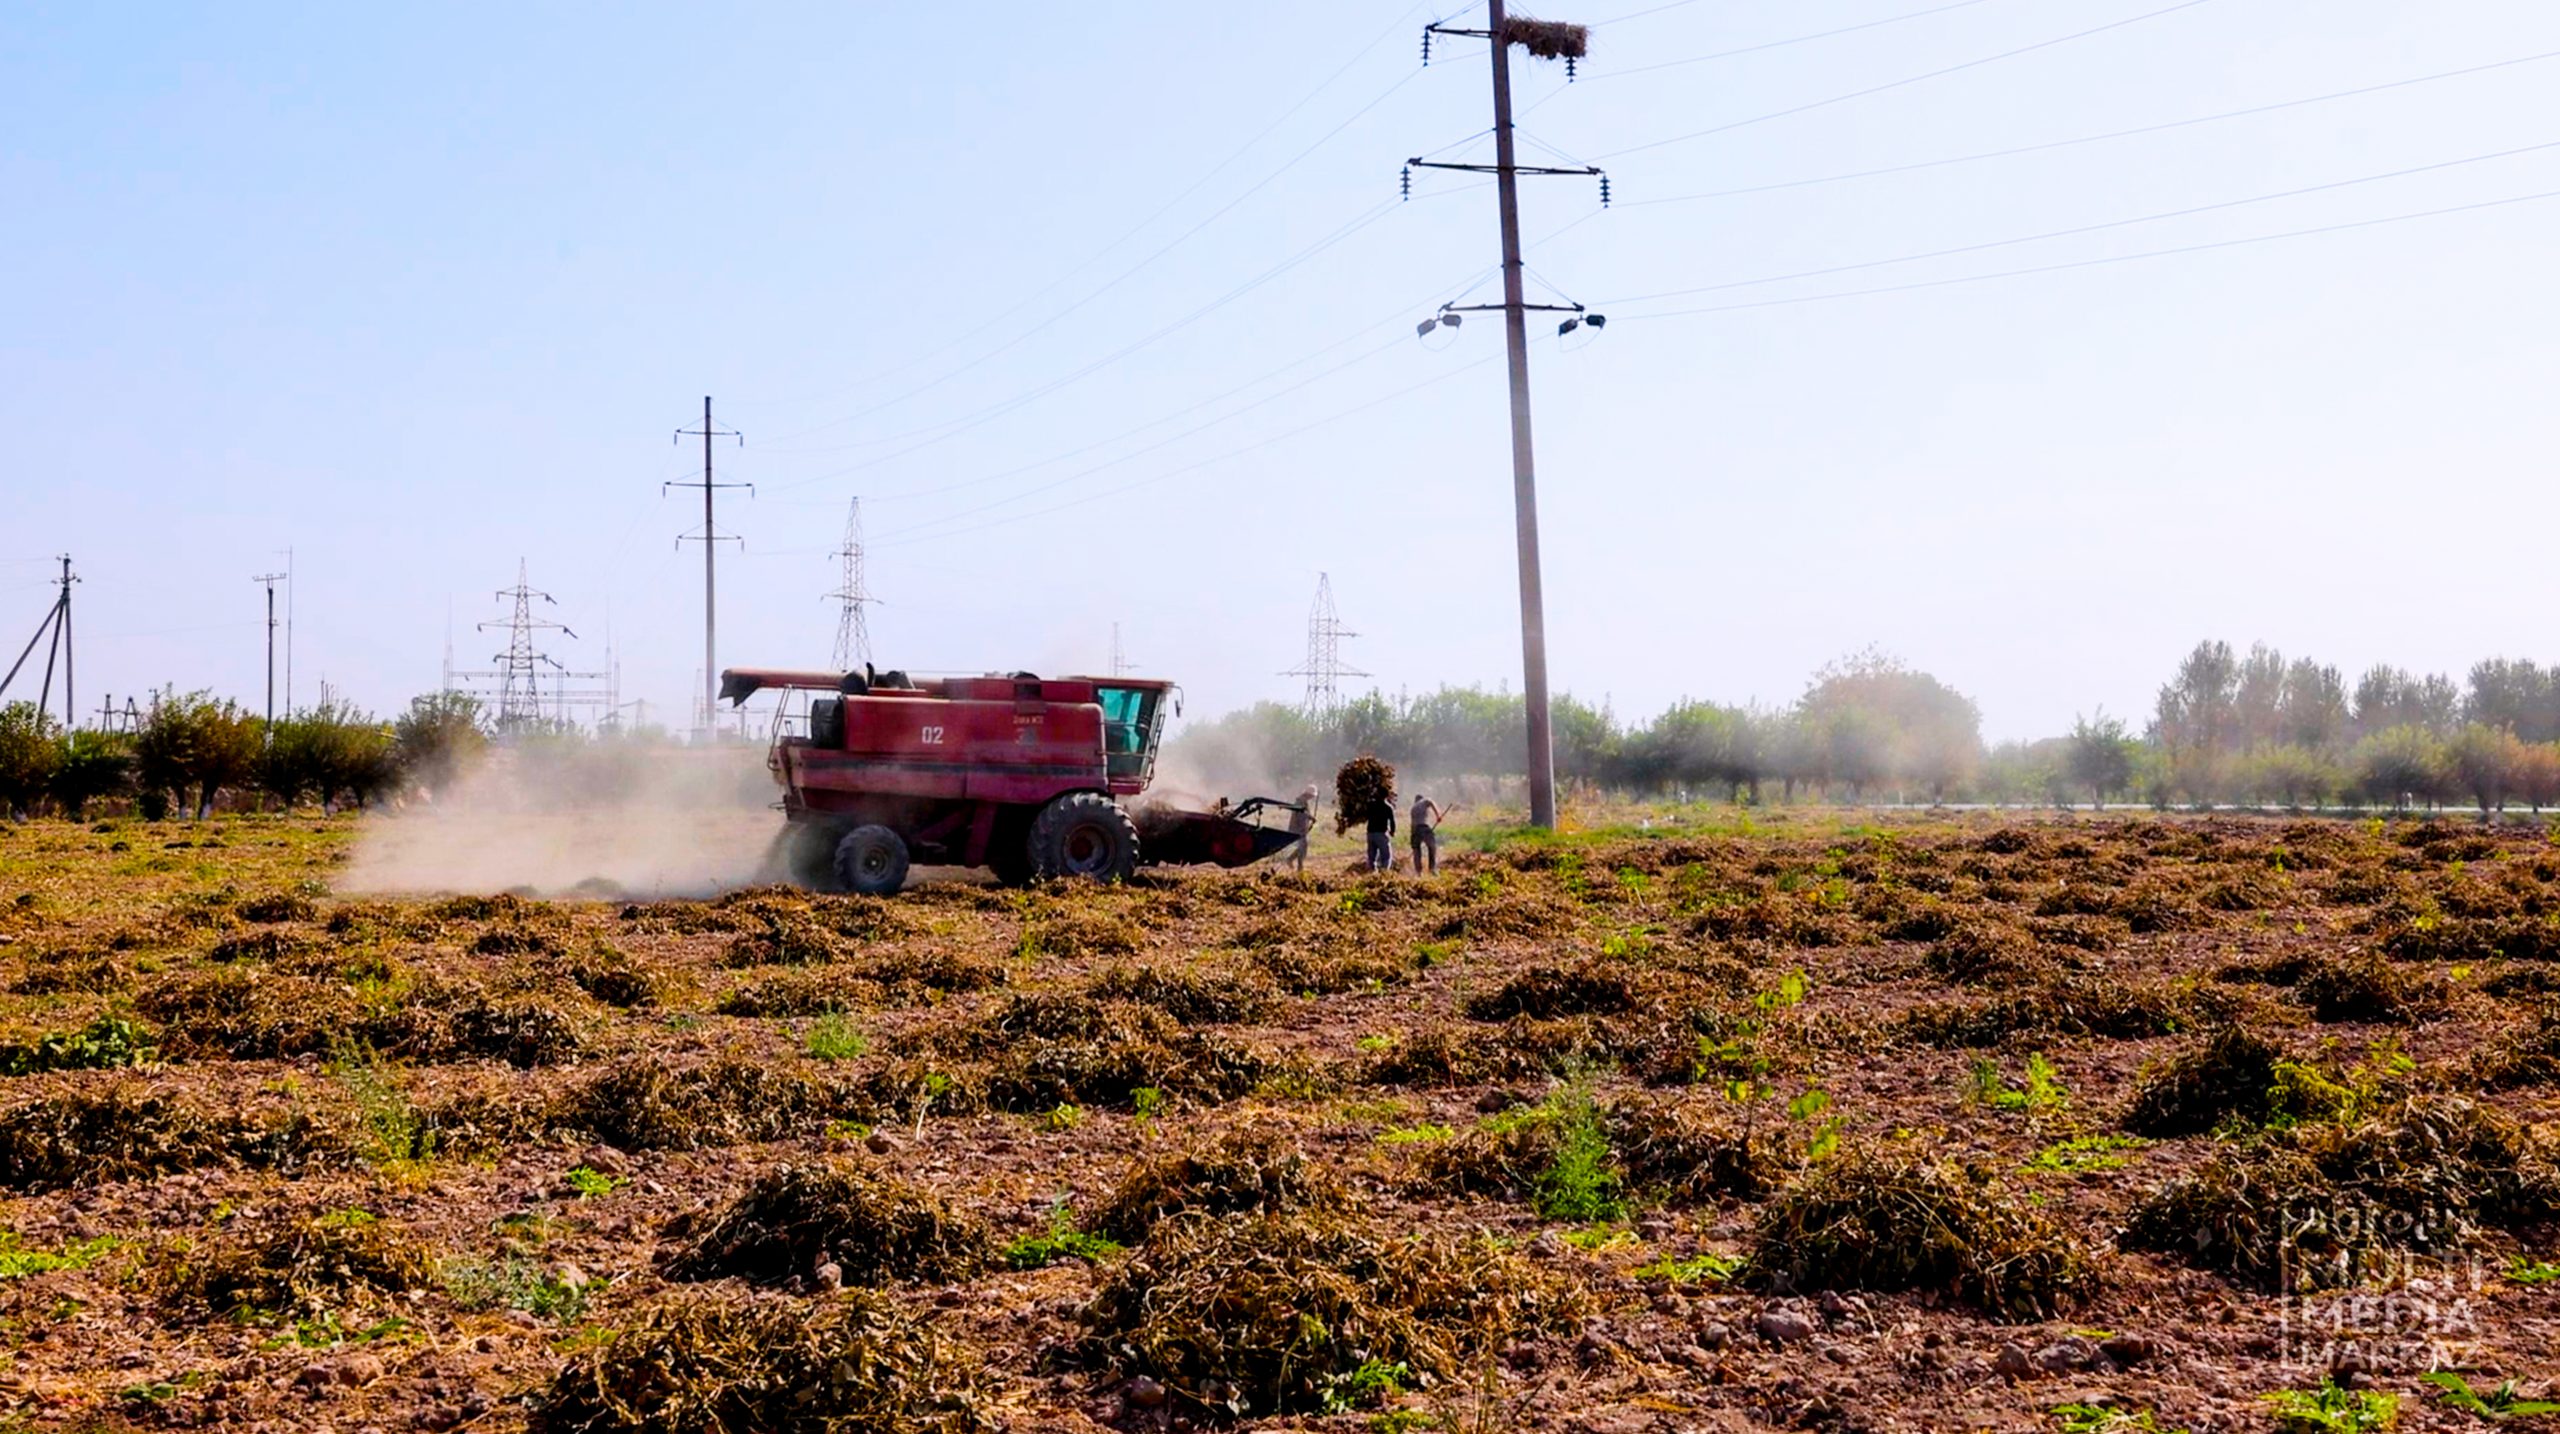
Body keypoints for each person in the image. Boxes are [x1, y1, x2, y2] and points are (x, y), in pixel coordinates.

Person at [1408, 792, 1443, 875]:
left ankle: (1418, 872)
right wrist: (1438, 815)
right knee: (1432, 847)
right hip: (1424, 827)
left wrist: (1413, 837)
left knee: (1416, 850)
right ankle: (1432, 869)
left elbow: (1412, 825)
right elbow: (1430, 802)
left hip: (1415, 830)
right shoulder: (1424, 801)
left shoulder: (1413, 808)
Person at [1364, 785, 1397, 872]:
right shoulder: (1388, 807)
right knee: (1386, 856)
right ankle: (1384, 873)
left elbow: (1365, 815)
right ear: (1386, 796)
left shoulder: (1371, 805)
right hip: (1381, 834)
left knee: (1371, 856)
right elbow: (1392, 821)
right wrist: (1392, 831)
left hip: (1370, 833)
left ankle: (1372, 872)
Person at [1288, 783, 1318, 873]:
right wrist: (1310, 819)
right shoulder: (1301, 801)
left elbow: (1304, 814)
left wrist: (1311, 819)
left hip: (1299, 828)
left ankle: (1291, 860)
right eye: (1312, 796)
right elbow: (1301, 815)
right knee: (1302, 847)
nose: (1312, 797)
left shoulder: (1302, 801)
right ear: (1308, 794)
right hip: (1298, 828)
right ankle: (1299, 867)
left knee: (1302, 847)